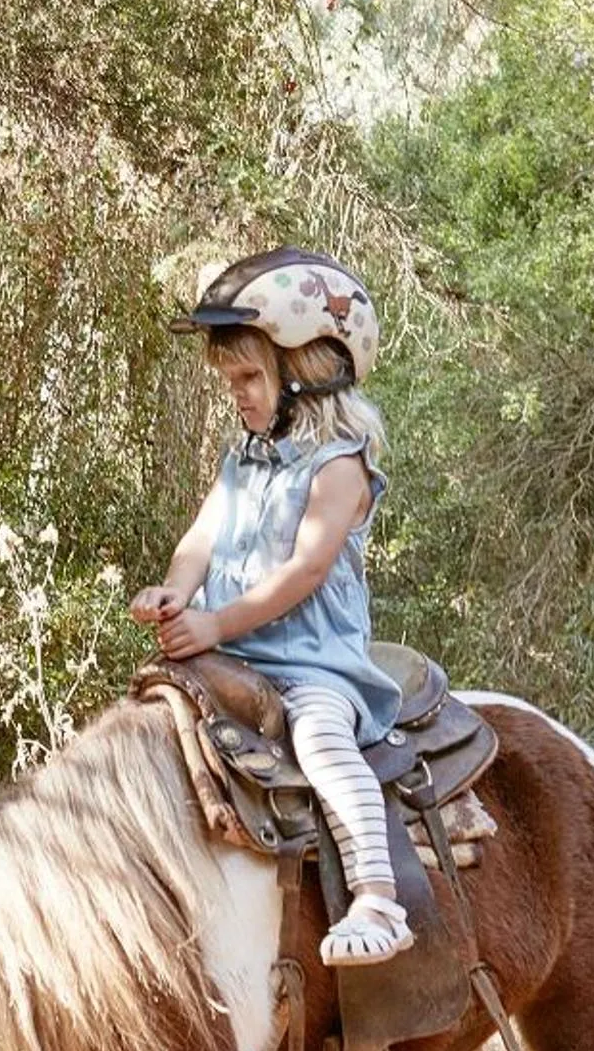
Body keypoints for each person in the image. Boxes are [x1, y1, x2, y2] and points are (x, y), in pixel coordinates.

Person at [131, 248, 415, 965]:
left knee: (320, 743)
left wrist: (214, 623)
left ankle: (377, 897)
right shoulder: (245, 459)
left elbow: (304, 570)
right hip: (234, 659)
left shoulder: (339, 466)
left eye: (250, 378)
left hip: (312, 667)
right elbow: (202, 537)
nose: (238, 395)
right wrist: (176, 592)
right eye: (231, 381)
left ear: (307, 369)